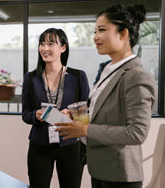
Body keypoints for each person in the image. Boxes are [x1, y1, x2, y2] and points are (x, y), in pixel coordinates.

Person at [55, 4, 157, 188]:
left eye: (102, 30)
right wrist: (79, 117)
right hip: (101, 169)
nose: (95, 37)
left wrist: (86, 131)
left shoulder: (136, 76)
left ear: (123, 34)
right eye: (95, 31)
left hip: (121, 175)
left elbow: (136, 133)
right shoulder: (108, 70)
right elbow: (104, 108)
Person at [21, 28, 90, 188]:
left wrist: (71, 114)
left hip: (70, 143)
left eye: (51, 44)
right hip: (40, 144)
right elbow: (25, 114)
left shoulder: (78, 76)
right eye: (42, 44)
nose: (45, 48)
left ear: (63, 48)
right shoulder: (31, 78)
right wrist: (35, 115)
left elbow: (85, 113)